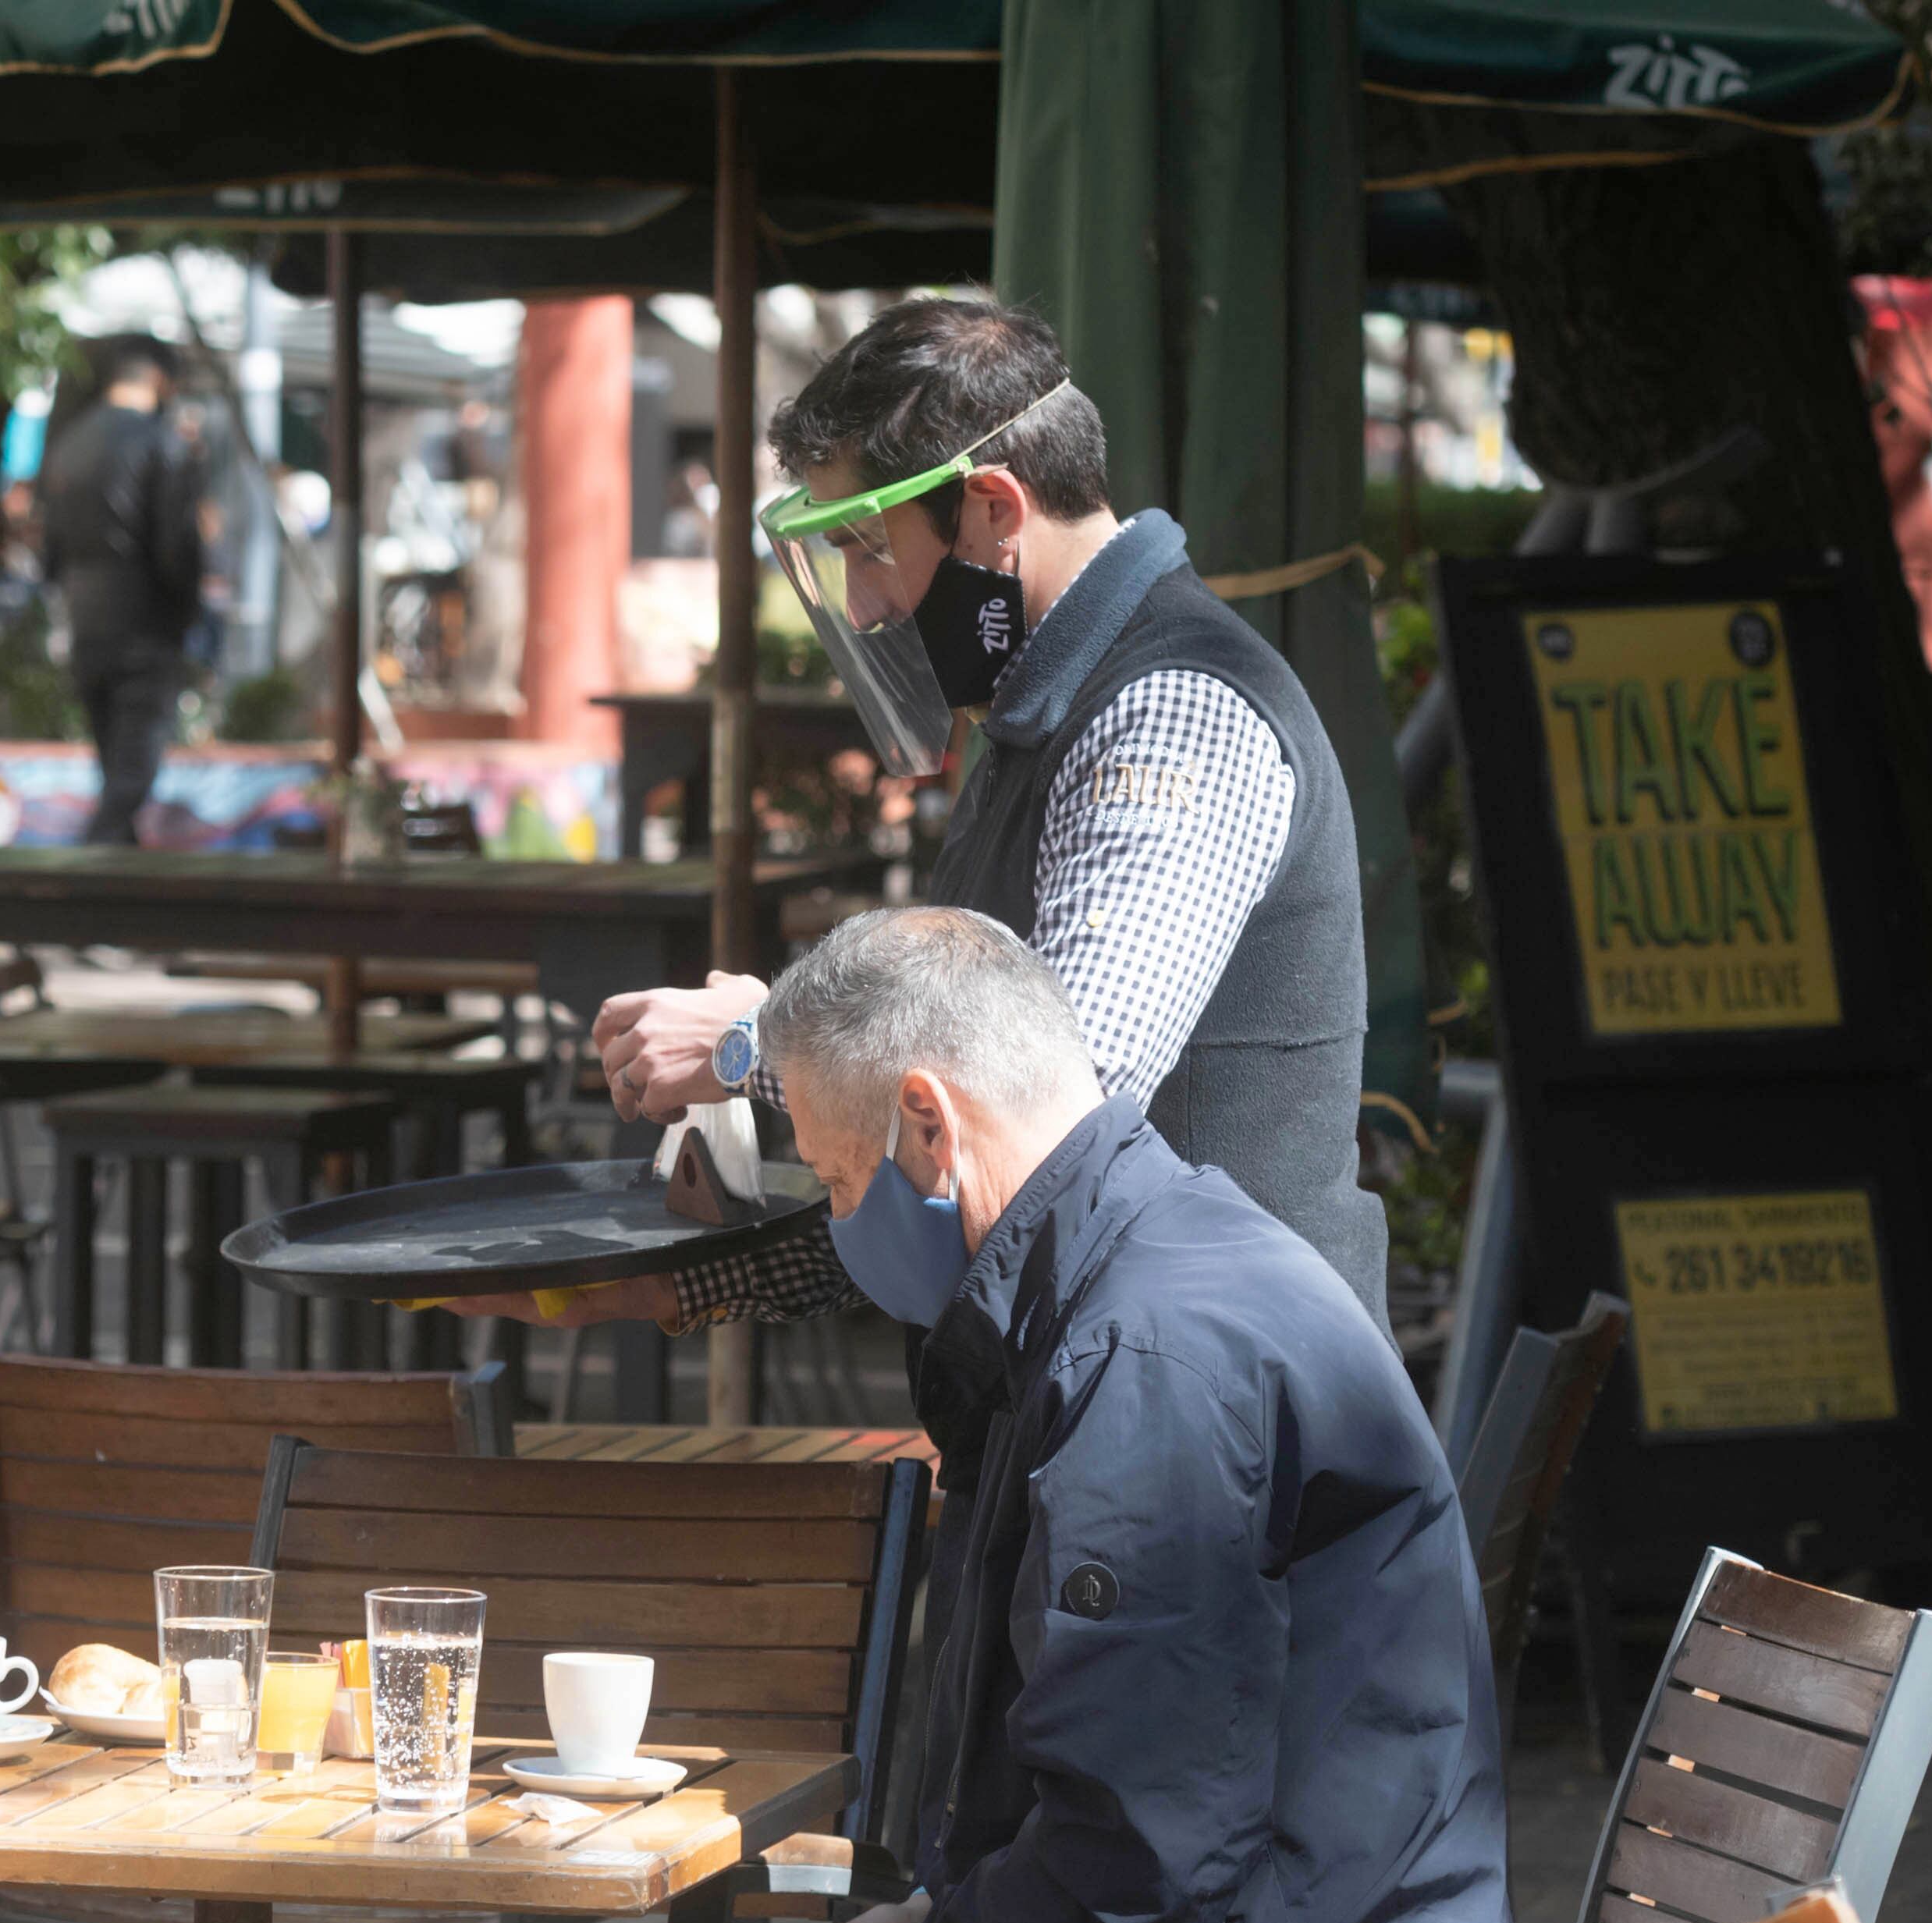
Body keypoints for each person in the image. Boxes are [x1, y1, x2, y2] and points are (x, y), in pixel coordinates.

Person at [556, 907, 1522, 1923]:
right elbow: (1141, 1797)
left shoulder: (1149, 1352)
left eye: (837, 1170)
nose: (839, 1217)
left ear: (929, 1122)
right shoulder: (1137, 1271)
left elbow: (1140, 1849)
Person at [541, 295, 1391, 1340]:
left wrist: (757, 1042)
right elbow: (956, 1197)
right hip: (1129, 1381)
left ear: (990, 509)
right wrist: (690, 1287)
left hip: (1236, 1418)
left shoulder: (1172, 712)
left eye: (867, 545)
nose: (859, 605)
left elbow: (1055, 1098)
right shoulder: (1041, 711)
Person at [38, 338, 208, 846]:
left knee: (115, 768)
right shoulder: (160, 442)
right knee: (131, 778)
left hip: (84, 619)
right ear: (158, 381)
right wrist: (186, 614)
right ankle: (80, 891)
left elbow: (50, 551)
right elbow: (175, 548)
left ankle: (115, 900)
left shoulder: (68, 444)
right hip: (144, 622)